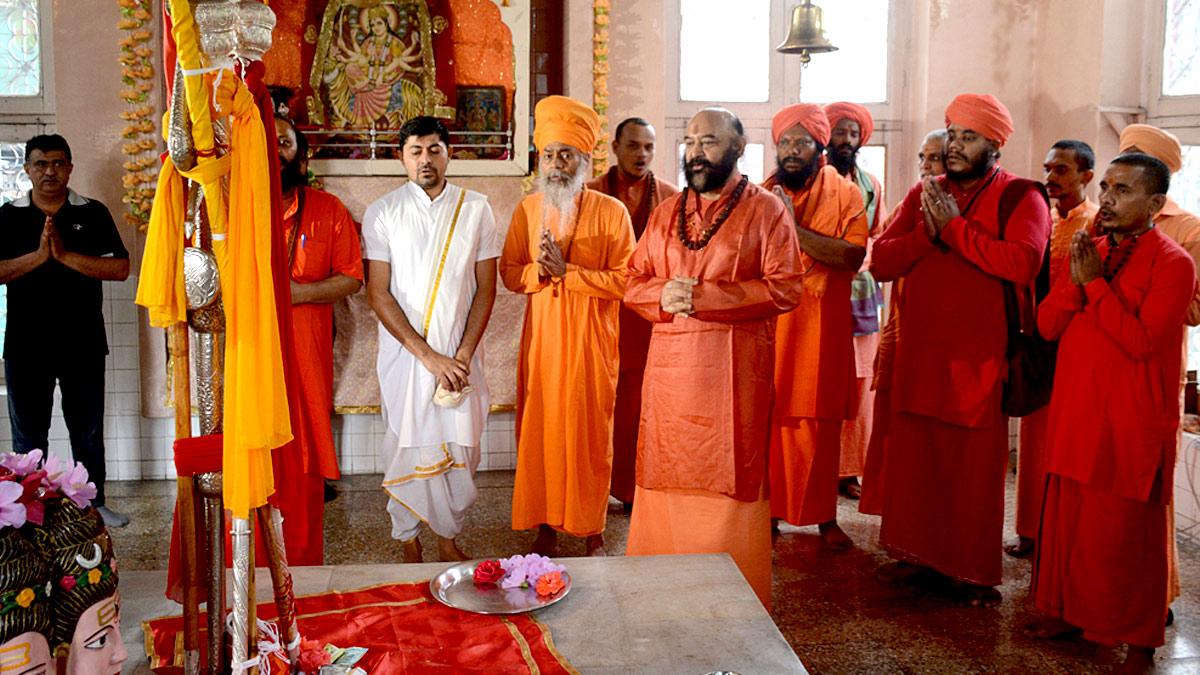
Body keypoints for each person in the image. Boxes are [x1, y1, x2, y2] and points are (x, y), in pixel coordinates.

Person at [870, 94, 1051, 606]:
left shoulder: (1022, 197)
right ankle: (918, 557)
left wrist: (953, 230)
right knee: (919, 459)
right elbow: (882, 262)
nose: (955, 145)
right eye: (951, 134)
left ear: (995, 144)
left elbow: (1021, 263)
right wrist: (928, 238)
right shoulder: (923, 193)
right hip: (920, 352)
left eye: (968, 137)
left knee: (970, 468)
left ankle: (971, 572)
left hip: (979, 357)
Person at [624, 107, 804, 607]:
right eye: (689, 141)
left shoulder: (767, 210)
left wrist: (704, 298)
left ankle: (730, 607)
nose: (696, 151)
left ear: (739, 146)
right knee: (665, 474)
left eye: (708, 141)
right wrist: (662, 296)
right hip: (670, 379)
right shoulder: (665, 213)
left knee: (729, 481)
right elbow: (632, 282)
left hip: (734, 378)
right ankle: (658, 597)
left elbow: (787, 288)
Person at [1027, 153, 1195, 675]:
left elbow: (1144, 342)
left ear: (1155, 204)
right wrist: (1080, 282)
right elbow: (1047, 325)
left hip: (1131, 419)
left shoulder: (1175, 263)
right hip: (1078, 411)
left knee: (1126, 533)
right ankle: (1070, 613)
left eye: (1123, 190)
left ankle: (1138, 641)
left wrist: (1094, 285)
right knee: (1072, 524)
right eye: (1107, 187)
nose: (1109, 199)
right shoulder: (1090, 249)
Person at [500, 96, 634, 557]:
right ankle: (544, 525)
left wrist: (569, 274)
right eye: (550, 155)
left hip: (592, 347)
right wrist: (540, 272)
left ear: (584, 160)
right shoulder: (527, 210)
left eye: (567, 155)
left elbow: (626, 280)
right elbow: (509, 271)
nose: (557, 164)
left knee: (589, 434)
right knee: (540, 433)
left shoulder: (612, 212)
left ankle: (590, 526)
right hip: (543, 346)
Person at [364, 116, 499, 562]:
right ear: (400, 157)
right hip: (407, 360)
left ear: (449, 154)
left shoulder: (476, 207)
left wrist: (459, 355)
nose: (426, 159)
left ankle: (447, 537)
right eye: (416, 151)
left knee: (462, 446)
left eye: (434, 150)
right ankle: (408, 541)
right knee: (407, 445)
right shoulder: (383, 212)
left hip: (462, 357)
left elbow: (486, 287)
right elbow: (378, 293)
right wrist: (428, 358)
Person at [0, 134, 131, 528]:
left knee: (87, 431)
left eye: (57, 163)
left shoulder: (92, 213)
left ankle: (94, 506)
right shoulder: (7, 215)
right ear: (27, 169)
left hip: (83, 342)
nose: (49, 172)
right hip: (25, 345)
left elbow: (120, 268)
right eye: (40, 164)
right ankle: (27, 512)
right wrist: (40, 257)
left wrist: (66, 256)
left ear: (70, 168)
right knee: (28, 437)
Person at [765, 103, 869, 551]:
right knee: (768, 426)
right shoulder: (761, 194)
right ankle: (767, 515)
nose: (791, 151)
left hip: (821, 332)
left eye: (801, 142)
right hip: (771, 330)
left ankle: (824, 517)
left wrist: (793, 227)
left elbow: (851, 257)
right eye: (785, 142)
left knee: (819, 429)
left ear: (818, 145)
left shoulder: (846, 195)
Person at [1117, 122, 1200, 622]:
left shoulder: (1187, 229)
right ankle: (1095, 591)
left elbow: (1194, 309)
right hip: (1101, 365)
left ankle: (1152, 591)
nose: (1113, 191)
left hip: (1152, 368)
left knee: (1148, 487)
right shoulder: (1104, 218)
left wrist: (1145, 286)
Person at [1007, 139, 1097, 559]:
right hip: (1037, 343)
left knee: (1068, 444)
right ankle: (1030, 531)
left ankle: (1061, 536)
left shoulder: (1093, 225)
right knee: (1035, 439)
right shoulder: (1042, 217)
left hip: (1078, 348)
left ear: (1086, 177)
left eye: (1061, 170)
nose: (1050, 179)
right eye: (1047, 169)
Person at [586, 117, 679, 509]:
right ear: (615, 147)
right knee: (596, 409)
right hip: (597, 319)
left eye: (648, 147)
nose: (641, 154)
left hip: (648, 323)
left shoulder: (673, 199)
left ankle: (632, 490)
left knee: (638, 411)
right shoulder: (589, 194)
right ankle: (590, 493)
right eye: (633, 146)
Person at [275, 115, 364, 510]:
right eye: (267, 144)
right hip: (253, 340)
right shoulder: (235, 212)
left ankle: (310, 486)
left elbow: (352, 278)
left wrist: (300, 293)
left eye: (284, 144)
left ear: (303, 160)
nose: (275, 154)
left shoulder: (329, 209)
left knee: (310, 410)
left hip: (309, 336)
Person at [859, 129, 946, 516]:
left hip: (941, 338)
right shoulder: (908, 206)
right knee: (892, 418)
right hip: (900, 326)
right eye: (923, 159)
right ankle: (890, 504)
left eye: (935, 159)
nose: (926, 167)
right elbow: (880, 257)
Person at [824, 102, 888, 500]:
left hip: (861, 293)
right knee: (824, 380)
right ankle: (819, 466)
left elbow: (879, 232)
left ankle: (848, 471)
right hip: (820, 291)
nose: (846, 140)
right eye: (839, 132)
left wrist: (861, 256)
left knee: (860, 384)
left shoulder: (871, 184)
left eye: (852, 133)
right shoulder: (812, 181)